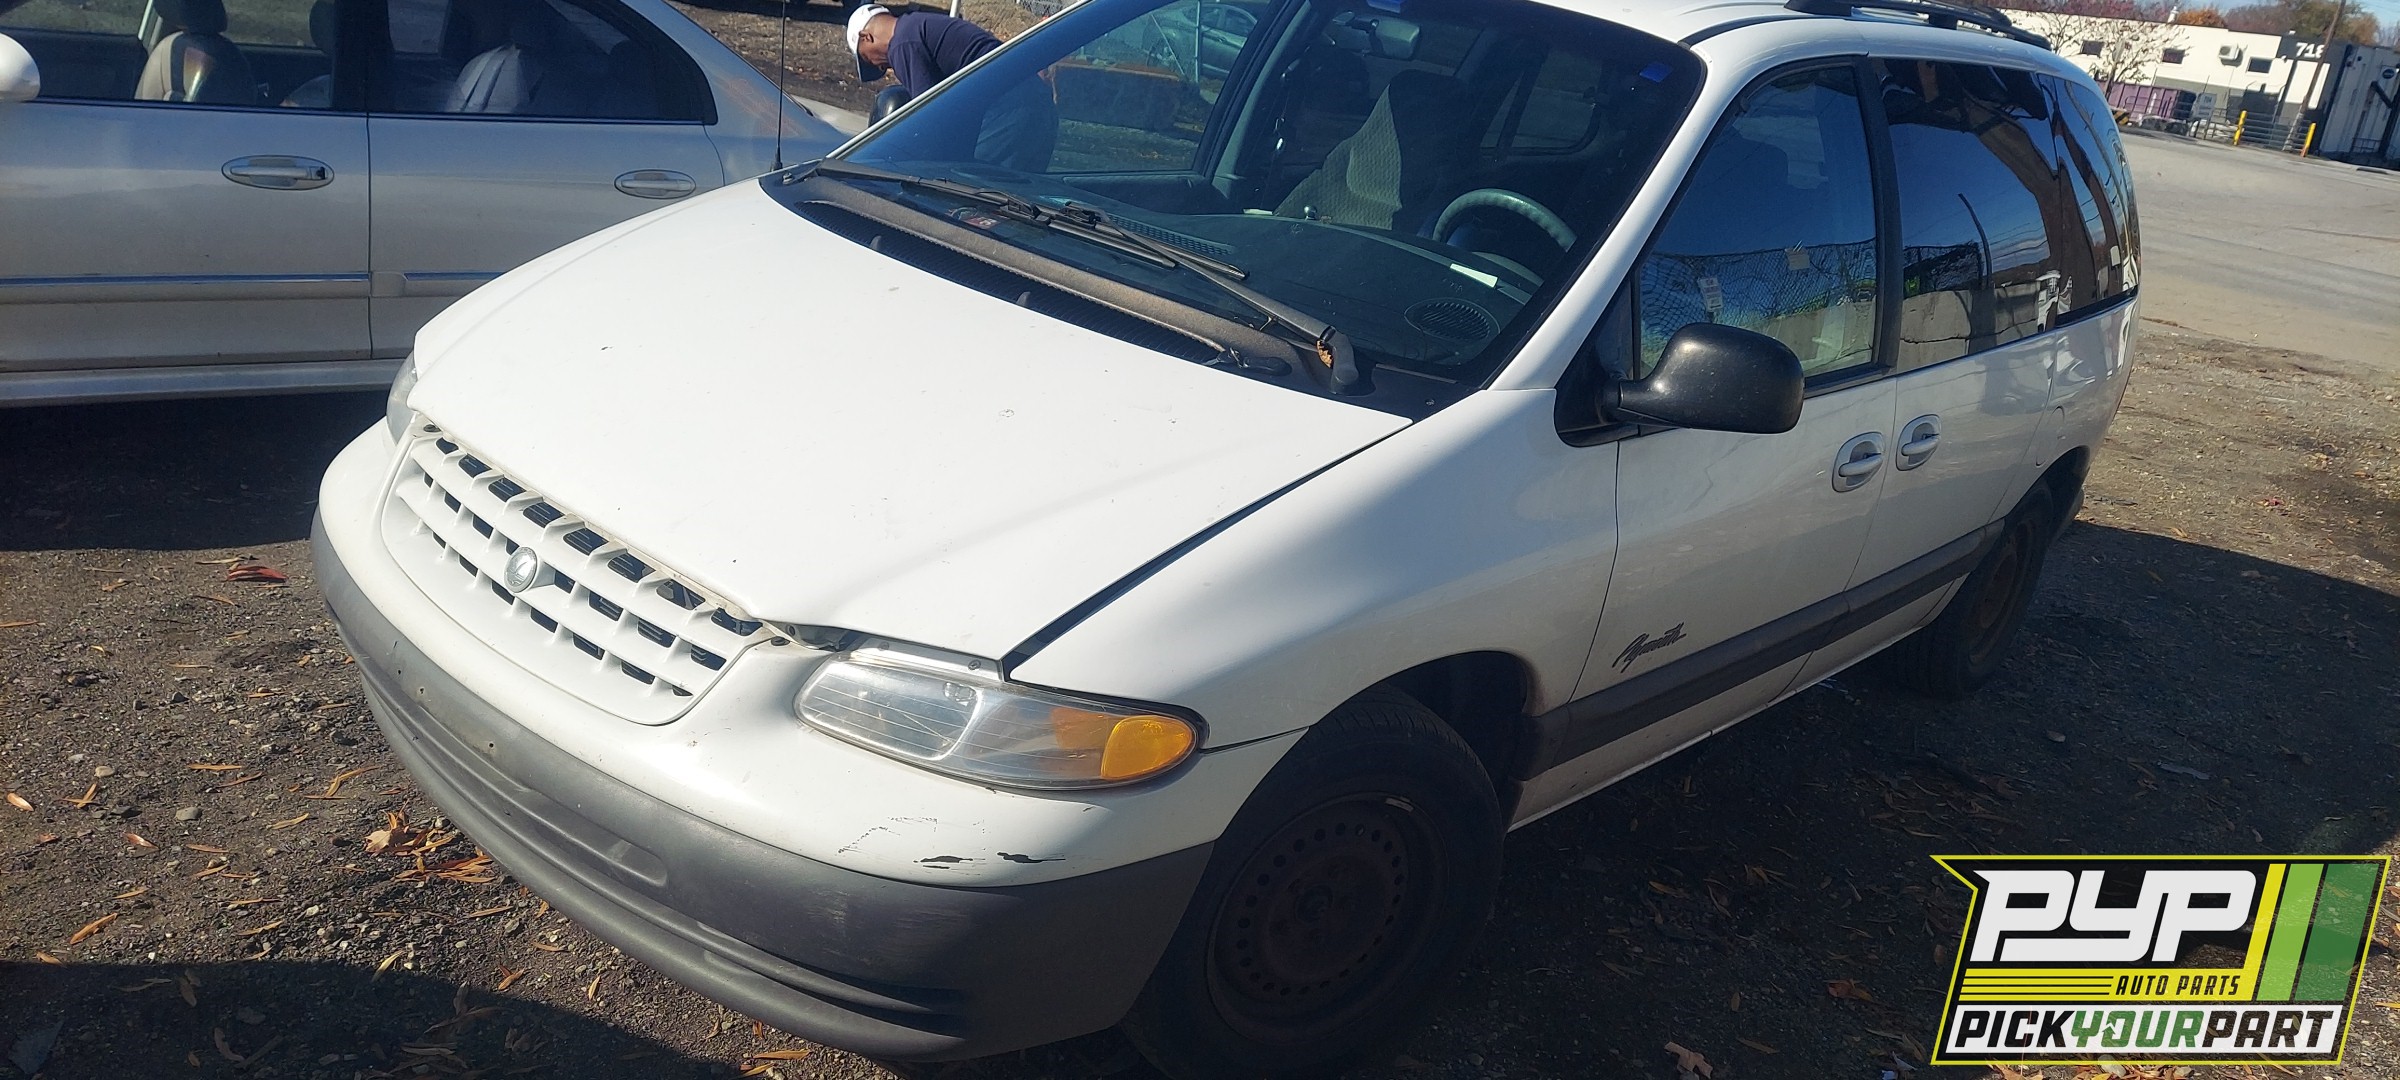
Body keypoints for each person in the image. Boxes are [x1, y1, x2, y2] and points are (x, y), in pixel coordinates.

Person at [847, 4, 1056, 172]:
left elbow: (929, 118)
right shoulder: (919, 26)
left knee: (977, 189)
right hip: (1032, 108)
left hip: (1011, 114)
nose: (881, 66)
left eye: (867, 58)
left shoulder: (902, 44)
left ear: (867, 37)